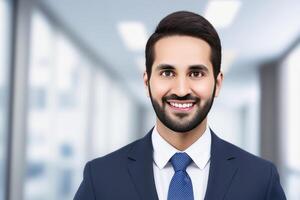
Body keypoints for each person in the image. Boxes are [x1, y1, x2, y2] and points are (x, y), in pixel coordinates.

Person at [74, 11, 286, 200]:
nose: (182, 89)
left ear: (217, 83)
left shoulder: (260, 180)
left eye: (196, 73)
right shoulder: (101, 178)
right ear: (147, 82)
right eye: (167, 73)